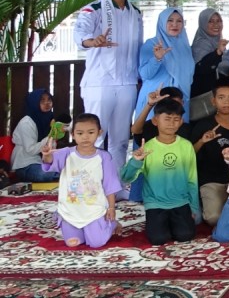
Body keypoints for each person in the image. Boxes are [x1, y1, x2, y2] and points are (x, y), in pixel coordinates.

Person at [74, 0, 143, 173]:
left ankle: (117, 184)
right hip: (99, 83)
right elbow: (80, 34)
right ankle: (88, 184)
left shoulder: (136, 13)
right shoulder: (93, 9)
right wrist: (91, 41)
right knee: (93, 137)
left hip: (127, 82)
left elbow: (138, 46)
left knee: (121, 139)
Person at [120, 98, 200, 245]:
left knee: (185, 235)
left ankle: (174, 222)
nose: (172, 123)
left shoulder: (186, 146)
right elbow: (125, 177)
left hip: (180, 201)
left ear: (181, 122)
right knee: (158, 239)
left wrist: (194, 207)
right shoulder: (148, 148)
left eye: (176, 119)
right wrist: (136, 161)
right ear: (156, 121)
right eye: (167, 119)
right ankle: (160, 223)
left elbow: (192, 179)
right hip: (155, 203)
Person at [40, 113, 122, 248]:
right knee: (73, 243)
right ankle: (82, 229)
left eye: (91, 132)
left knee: (96, 243)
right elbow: (49, 162)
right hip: (70, 210)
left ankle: (111, 224)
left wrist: (111, 208)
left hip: (94, 209)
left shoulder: (104, 157)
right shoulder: (66, 153)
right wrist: (47, 155)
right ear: (73, 134)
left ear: (99, 133)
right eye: (80, 133)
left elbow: (110, 185)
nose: (85, 137)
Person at [190, 77, 229, 226]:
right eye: (221, 97)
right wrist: (201, 141)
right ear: (213, 101)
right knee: (214, 218)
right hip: (211, 181)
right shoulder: (203, 125)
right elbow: (188, 155)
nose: (226, 102)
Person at [12, 89, 63, 182]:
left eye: (49, 100)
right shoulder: (27, 122)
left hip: (43, 162)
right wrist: (50, 136)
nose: (47, 103)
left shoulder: (50, 118)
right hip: (26, 165)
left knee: (65, 166)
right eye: (42, 100)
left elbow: (51, 148)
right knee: (45, 174)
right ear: (34, 103)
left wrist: (54, 138)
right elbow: (31, 150)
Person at [190, 8, 229, 98]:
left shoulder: (218, 41)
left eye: (219, 21)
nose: (216, 24)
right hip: (205, 95)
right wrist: (217, 52)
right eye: (210, 21)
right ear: (203, 23)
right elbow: (201, 69)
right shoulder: (201, 44)